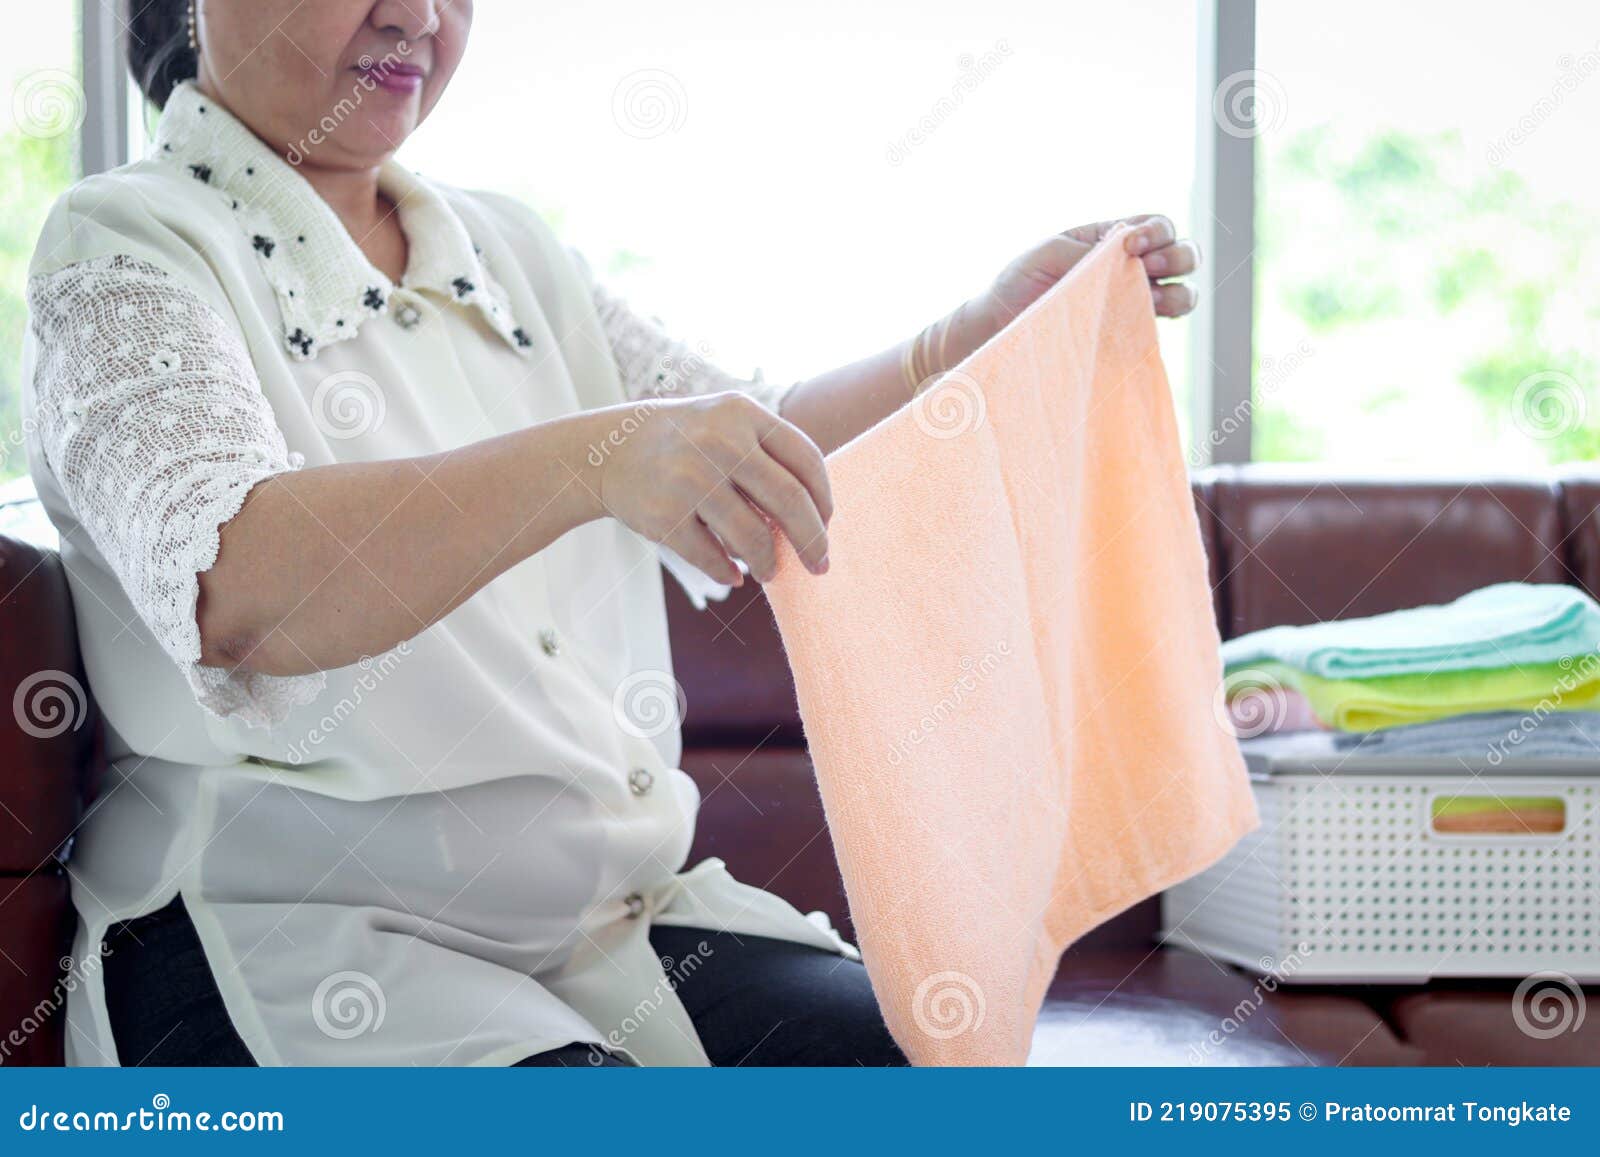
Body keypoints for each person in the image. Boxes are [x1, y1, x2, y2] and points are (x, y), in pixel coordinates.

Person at [21, 0, 1200, 1066]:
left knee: (924, 1080)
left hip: (611, 927)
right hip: (303, 935)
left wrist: (967, 338)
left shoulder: (507, 248)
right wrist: (598, 458)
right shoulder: (126, 245)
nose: (416, 16)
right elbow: (236, 580)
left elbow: (752, 442)